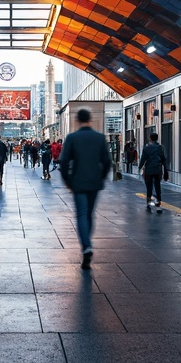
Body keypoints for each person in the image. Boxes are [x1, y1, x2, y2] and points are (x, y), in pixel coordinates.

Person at [57, 108, 112, 269]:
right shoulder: (100, 138)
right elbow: (107, 162)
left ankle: (86, 246)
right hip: (94, 182)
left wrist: (67, 180)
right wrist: (101, 177)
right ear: (90, 120)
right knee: (89, 214)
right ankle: (87, 243)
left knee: (81, 214)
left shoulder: (72, 138)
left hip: (78, 182)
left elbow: (64, 161)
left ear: (77, 121)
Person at [139, 132, 167, 212]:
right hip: (158, 169)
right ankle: (158, 203)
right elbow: (163, 159)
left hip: (149, 169)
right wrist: (165, 169)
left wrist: (140, 167)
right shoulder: (160, 147)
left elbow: (143, 159)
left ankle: (149, 202)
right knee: (157, 186)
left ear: (150, 138)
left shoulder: (146, 148)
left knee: (149, 187)